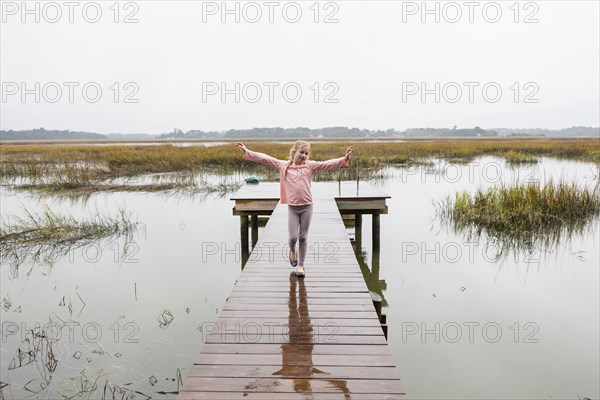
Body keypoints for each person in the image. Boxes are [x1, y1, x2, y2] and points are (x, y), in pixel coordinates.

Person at [237, 140, 353, 277]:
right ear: (294, 152)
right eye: (301, 152)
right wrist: (248, 152)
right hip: (293, 208)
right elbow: (265, 159)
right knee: (293, 238)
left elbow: (327, 164)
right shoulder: (283, 166)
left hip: (307, 207)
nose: (304, 155)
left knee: (303, 237)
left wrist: (344, 159)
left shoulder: (310, 166)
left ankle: (301, 265)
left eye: (306, 153)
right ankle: (292, 250)